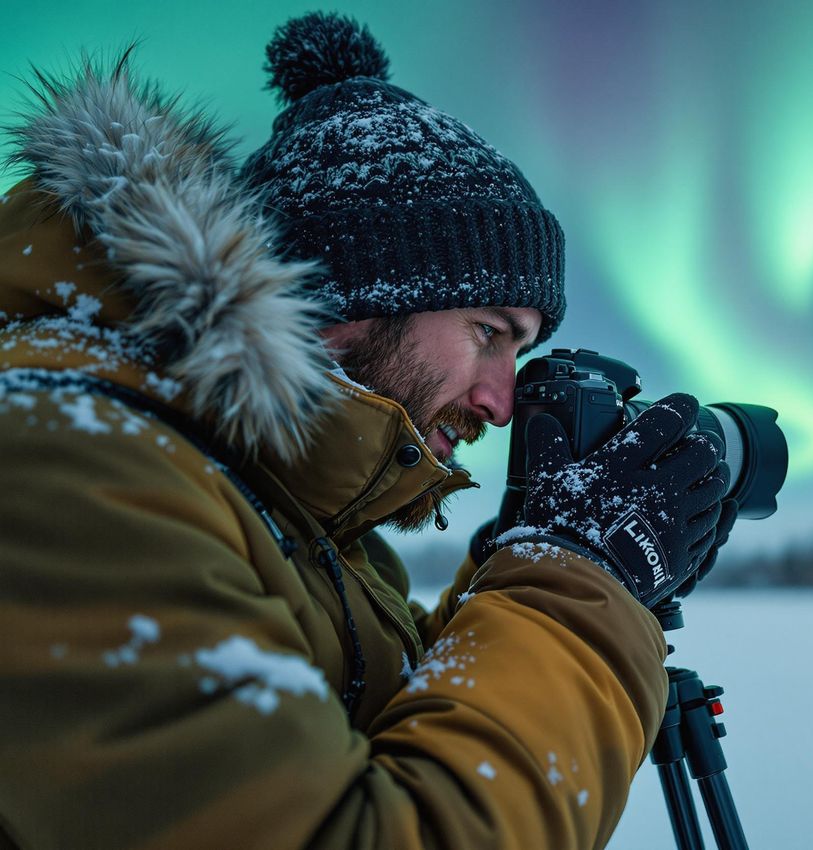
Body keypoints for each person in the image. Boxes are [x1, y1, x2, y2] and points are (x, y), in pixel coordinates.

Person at [0, 12, 739, 850]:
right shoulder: (67, 465)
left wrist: (530, 553)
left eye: (523, 349)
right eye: (489, 333)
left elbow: (391, 719)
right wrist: (580, 583)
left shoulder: (308, 526)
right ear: (349, 302)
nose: (503, 401)